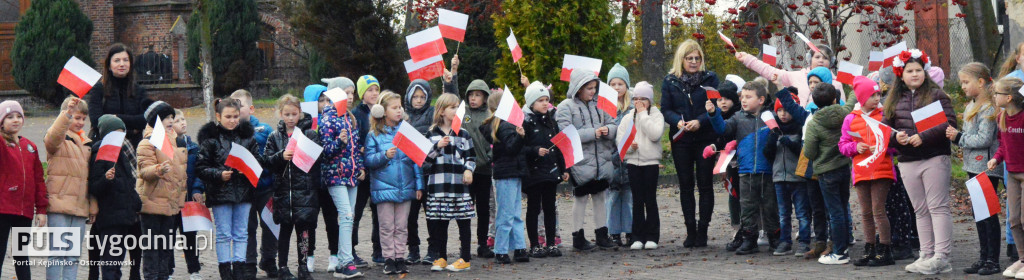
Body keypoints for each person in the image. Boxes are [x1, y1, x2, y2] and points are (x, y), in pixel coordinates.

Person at [885, 49, 958, 275]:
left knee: (938, 207)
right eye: (909, 71)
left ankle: (941, 256)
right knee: (920, 209)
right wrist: (896, 137)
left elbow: (949, 123)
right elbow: (884, 129)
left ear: (925, 72)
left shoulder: (937, 95)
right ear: (901, 74)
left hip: (934, 157)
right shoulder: (895, 99)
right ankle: (925, 253)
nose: (914, 74)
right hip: (907, 160)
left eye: (918, 70)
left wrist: (923, 136)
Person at [707, 79, 778, 255]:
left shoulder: (770, 116)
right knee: (747, 207)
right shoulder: (738, 117)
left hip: (768, 171)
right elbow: (723, 129)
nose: (743, 100)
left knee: (770, 206)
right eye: (742, 97)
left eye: (748, 97)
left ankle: (775, 238)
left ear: (761, 100)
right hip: (745, 171)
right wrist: (713, 114)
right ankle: (749, 239)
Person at [662, 39, 719, 248]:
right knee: (686, 185)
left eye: (697, 58)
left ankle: (703, 229)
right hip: (682, 139)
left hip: (704, 137)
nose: (694, 62)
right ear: (682, 59)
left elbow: (715, 105)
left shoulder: (711, 78)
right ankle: (690, 230)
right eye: (689, 58)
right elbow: (665, 109)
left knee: (705, 185)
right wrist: (677, 121)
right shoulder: (670, 81)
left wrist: (700, 121)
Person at [197, 98, 261, 280]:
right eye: (228, 117)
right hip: (220, 192)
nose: (233, 120)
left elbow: (258, 160)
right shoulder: (211, 139)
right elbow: (201, 167)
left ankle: (239, 269)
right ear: (218, 116)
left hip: (244, 191)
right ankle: (225, 270)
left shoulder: (247, 137)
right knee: (224, 233)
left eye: (235, 116)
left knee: (241, 232)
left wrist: (247, 168)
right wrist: (219, 174)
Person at [948, 63, 1003, 275]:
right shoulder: (972, 105)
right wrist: (957, 137)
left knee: (988, 214)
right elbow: (969, 136)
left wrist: (959, 137)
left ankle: (993, 260)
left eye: (965, 82)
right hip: (973, 167)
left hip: (986, 168)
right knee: (979, 214)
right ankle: (983, 256)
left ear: (980, 82)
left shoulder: (988, 107)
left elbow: (984, 139)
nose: (962, 86)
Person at [556, 70, 618, 250]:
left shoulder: (600, 104)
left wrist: (608, 129)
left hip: (601, 161)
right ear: (578, 88)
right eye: (589, 88)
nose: (593, 92)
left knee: (600, 196)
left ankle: (602, 234)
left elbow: (613, 124)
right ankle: (578, 236)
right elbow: (564, 134)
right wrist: (593, 133)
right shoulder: (565, 107)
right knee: (581, 198)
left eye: (594, 88)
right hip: (580, 162)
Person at [264, 94, 323, 279]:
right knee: (285, 232)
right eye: (287, 114)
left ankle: (303, 267)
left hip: (305, 192)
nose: (291, 118)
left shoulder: (310, 134)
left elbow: (319, 158)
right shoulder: (274, 136)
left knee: (304, 233)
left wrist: (305, 153)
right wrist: (281, 156)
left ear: (300, 114)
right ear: (281, 114)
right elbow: (267, 160)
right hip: (283, 194)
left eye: (294, 114)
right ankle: (282, 267)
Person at [839, 77, 896, 267]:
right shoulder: (851, 118)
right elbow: (843, 145)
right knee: (865, 212)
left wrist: (883, 147)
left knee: (878, 210)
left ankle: (885, 248)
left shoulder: (884, 115)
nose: (876, 98)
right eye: (872, 95)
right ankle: (870, 247)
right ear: (861, 97)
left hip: (882, 169)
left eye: (878, 94)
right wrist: (856, 147)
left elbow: (894, 144)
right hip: (861, 170)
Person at [364, 91, 423, 275]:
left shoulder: (406, 131)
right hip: (383, 189)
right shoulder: (374, 134)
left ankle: (400, 257)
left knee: (401, 226)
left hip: (405, 187)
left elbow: (415, 160)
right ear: (383, 110)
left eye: (400, 108)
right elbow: (368, 161)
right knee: (387, 226)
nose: (399, 111)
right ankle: (388, 258)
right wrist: (384, 155)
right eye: (394, 108)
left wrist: (419, 185)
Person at [315, 83, 367, 278]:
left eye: (352, 93)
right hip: (335, 176)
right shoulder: (328, 120)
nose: (350, 97)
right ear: (335, 96)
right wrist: (339, 142)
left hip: (352, 176)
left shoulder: (350, 118)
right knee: (345, 216)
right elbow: (325, 152)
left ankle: (343, 262)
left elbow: (357, 148)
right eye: (346, 93)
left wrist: (360, 167)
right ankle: (345, 262)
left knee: (350, 217)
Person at [421, 93, 476, 272]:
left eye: (458, 107)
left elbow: (471, 157)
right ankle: (441, 257)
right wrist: (437, 148)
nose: (456, 111)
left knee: (463, 222)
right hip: (438, 188)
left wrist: (468, 169)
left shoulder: (464, 134)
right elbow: (424, 162)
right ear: (442, 111)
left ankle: (465, 258)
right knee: (440, 223)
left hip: (459, 187)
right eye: (453, 108)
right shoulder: (431, 134)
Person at [803, 82, 857, 265]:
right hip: (843, 167)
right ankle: (843, 244)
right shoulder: (845, 112)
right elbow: (851, 101)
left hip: (826, 173)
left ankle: (840, 251)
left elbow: (809, 152)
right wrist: (854, 86)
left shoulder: (814, 123)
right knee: (843, 207)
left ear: (815, 102)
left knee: (834, 212)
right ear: (835, 98)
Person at [43, 97, 94, 280]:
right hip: (60, 204)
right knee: (57, 254)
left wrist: (92, 206)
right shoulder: (58, 138)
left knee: (72, 256)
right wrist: (67, 114)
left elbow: (90, 179)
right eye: (76, 117)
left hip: (79, 207)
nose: (79, 122)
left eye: (82, 118)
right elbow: (52, 137)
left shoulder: (87, 144)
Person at [229, 89, 278, 277]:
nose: (236, 109)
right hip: (243, 189)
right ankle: (249, 263)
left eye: (239, 105)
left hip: (265, 186)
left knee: (270, 224)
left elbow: (271, 155)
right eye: (232, 104)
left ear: (251, 108)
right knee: (246, 228)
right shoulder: (228, 131)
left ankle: (269, 259)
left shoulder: (264, 130)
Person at [137, 101, 188, 280]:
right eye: (165, 117)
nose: (170, 120)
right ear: (155, 120)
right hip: (151, 204)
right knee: (151, 248)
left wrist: (179, 200)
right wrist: (158, 170)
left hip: (170, 205)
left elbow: (181, 176)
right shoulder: (147, 142)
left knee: (166, 248)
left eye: (172, 117)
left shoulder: (176, 143)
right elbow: (144, 171)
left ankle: (164, 276)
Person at [88, 114, 142, 280]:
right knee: (110, 263)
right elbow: (95, 186)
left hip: (124, 215)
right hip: (110, 216)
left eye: (122, 132)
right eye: (116, 132)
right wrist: (106, 179)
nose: (121, 136)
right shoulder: (99, 152)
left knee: (117, 262)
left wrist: (136, 204)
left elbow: (128, 183)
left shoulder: (122, 153)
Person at [0, 100, 47, 280]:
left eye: (19, 116)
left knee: (22, 256)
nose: (15, 120)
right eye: (10, 117)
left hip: (24, 212)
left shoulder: (31, 147)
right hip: (3, 210)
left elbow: (38, 180)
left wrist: (41, 210)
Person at [481, 90, 530, 264]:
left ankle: (518, 247)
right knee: (508, 214)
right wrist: (520, 137)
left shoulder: (499, 124)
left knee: (513, 213)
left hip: (511, 173)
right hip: (508, 174)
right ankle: (502, 250)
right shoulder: (504, 125)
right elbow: (511, 148)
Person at [521, 81, 567, 258]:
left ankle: (550, 243)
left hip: (550, 171)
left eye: (546, 99)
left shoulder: (551, 122)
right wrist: (534, 151)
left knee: (550, 208)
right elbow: (521, 148)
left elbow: (559, 146)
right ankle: (534, 244)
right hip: (533, 172)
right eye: (540, 100)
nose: (545, 103)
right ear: (532, 103)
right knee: (533, 208)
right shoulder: (526, 123)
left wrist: (563, 168)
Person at [762, 89, 811, 257]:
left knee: (802, 212)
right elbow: (768, 155)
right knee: (783, 213)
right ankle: (785, 242)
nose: (783, 114)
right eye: (779, 111)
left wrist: (790, 143)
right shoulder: (773, 129)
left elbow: (804, 153)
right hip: (779, 177)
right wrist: (771, 141)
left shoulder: (800, 128)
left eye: (786, 110)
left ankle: (804, 242)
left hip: (798, 178)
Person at [617, 82, 664, 250]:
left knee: (649, 199)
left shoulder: (656, 115)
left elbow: (655, 134)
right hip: (633, 163)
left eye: (643, 99)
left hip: (650, 162)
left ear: (649, 100)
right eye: (636, 99)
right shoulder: (628, 117)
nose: (638, 102)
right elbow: (620, 139)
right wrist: (630, 147)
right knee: (636, 200)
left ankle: (652, 235)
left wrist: (644, 115)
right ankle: (637, 236)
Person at [735, 44, 846, 108]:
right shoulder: (797, 76)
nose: (821, 60)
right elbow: (770, 71)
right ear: (810, 59)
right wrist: (748, 59)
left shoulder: (836, 83)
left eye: (825, 58)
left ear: (830, 62)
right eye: (817, 57)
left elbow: (842, 109)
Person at [87, 43, 154, 146]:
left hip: (133, 148)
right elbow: (96, 121)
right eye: (117, 60)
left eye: (125, 60)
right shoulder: (99, 90)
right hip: (106, 147)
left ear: (130, 64)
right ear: (109, 65)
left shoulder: (139, 90)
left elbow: (144, 120)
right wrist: (132, 128)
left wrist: (116, 117)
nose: (122, 64)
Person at [990, 77, 1024, 278]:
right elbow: (1002, 145)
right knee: (1013, 219)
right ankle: (1022, 259)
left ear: (1009, 97)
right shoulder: (1001, 117)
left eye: (997, 93)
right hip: (1011, 174)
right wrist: (996, 158)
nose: (994, 97)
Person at [351, 75, 383, 264]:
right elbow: (357, 142)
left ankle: (378, 250)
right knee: (356, 212)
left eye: (376, 89)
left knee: (379, 213)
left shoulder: (382, 112)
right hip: (362, 172)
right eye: (369, 90)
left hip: (379, 170)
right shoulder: (357, 114)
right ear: (362, 93)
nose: (374, 93)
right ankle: (351, 250)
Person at [172, 109, 205, 280]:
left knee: (190, 237)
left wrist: (197, 189)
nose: (183, 123)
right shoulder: (166, 147)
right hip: (170, 201)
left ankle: (194, 270)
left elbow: (200, 171)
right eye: (178, 121)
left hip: (188, 201)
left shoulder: (194, 148)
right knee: (168, 237)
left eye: (183, 119)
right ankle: (168, 270)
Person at [404, 79, 433, 264]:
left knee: (431, 213)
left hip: (429, 171)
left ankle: (433, 248)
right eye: (415, 96)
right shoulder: (403, 116)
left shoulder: (432, 114)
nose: (419, 100)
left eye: (423, 96)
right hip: (409, 173)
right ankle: (413, 249)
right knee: (410, 215)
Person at [604, 63, 634, 247]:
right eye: (613, 84)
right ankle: (613, 231)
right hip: (611, 159)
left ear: (626, 86)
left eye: (620, 84)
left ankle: (630, 230)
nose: (616, 88)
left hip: (630, 159)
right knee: (612, 199)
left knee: (629, 198)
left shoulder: (632, 108)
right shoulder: (605, 108)